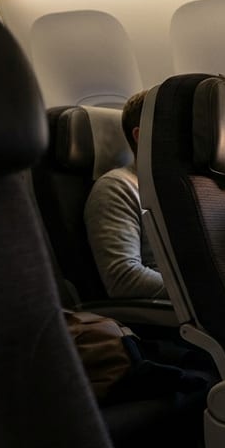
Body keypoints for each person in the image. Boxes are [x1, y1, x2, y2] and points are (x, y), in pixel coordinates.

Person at [84, 90, 167, 299]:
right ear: (141, 137)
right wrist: (200, 295)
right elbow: (124, 278)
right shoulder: (117, 187)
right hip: (176, 317)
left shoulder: (190, 189)